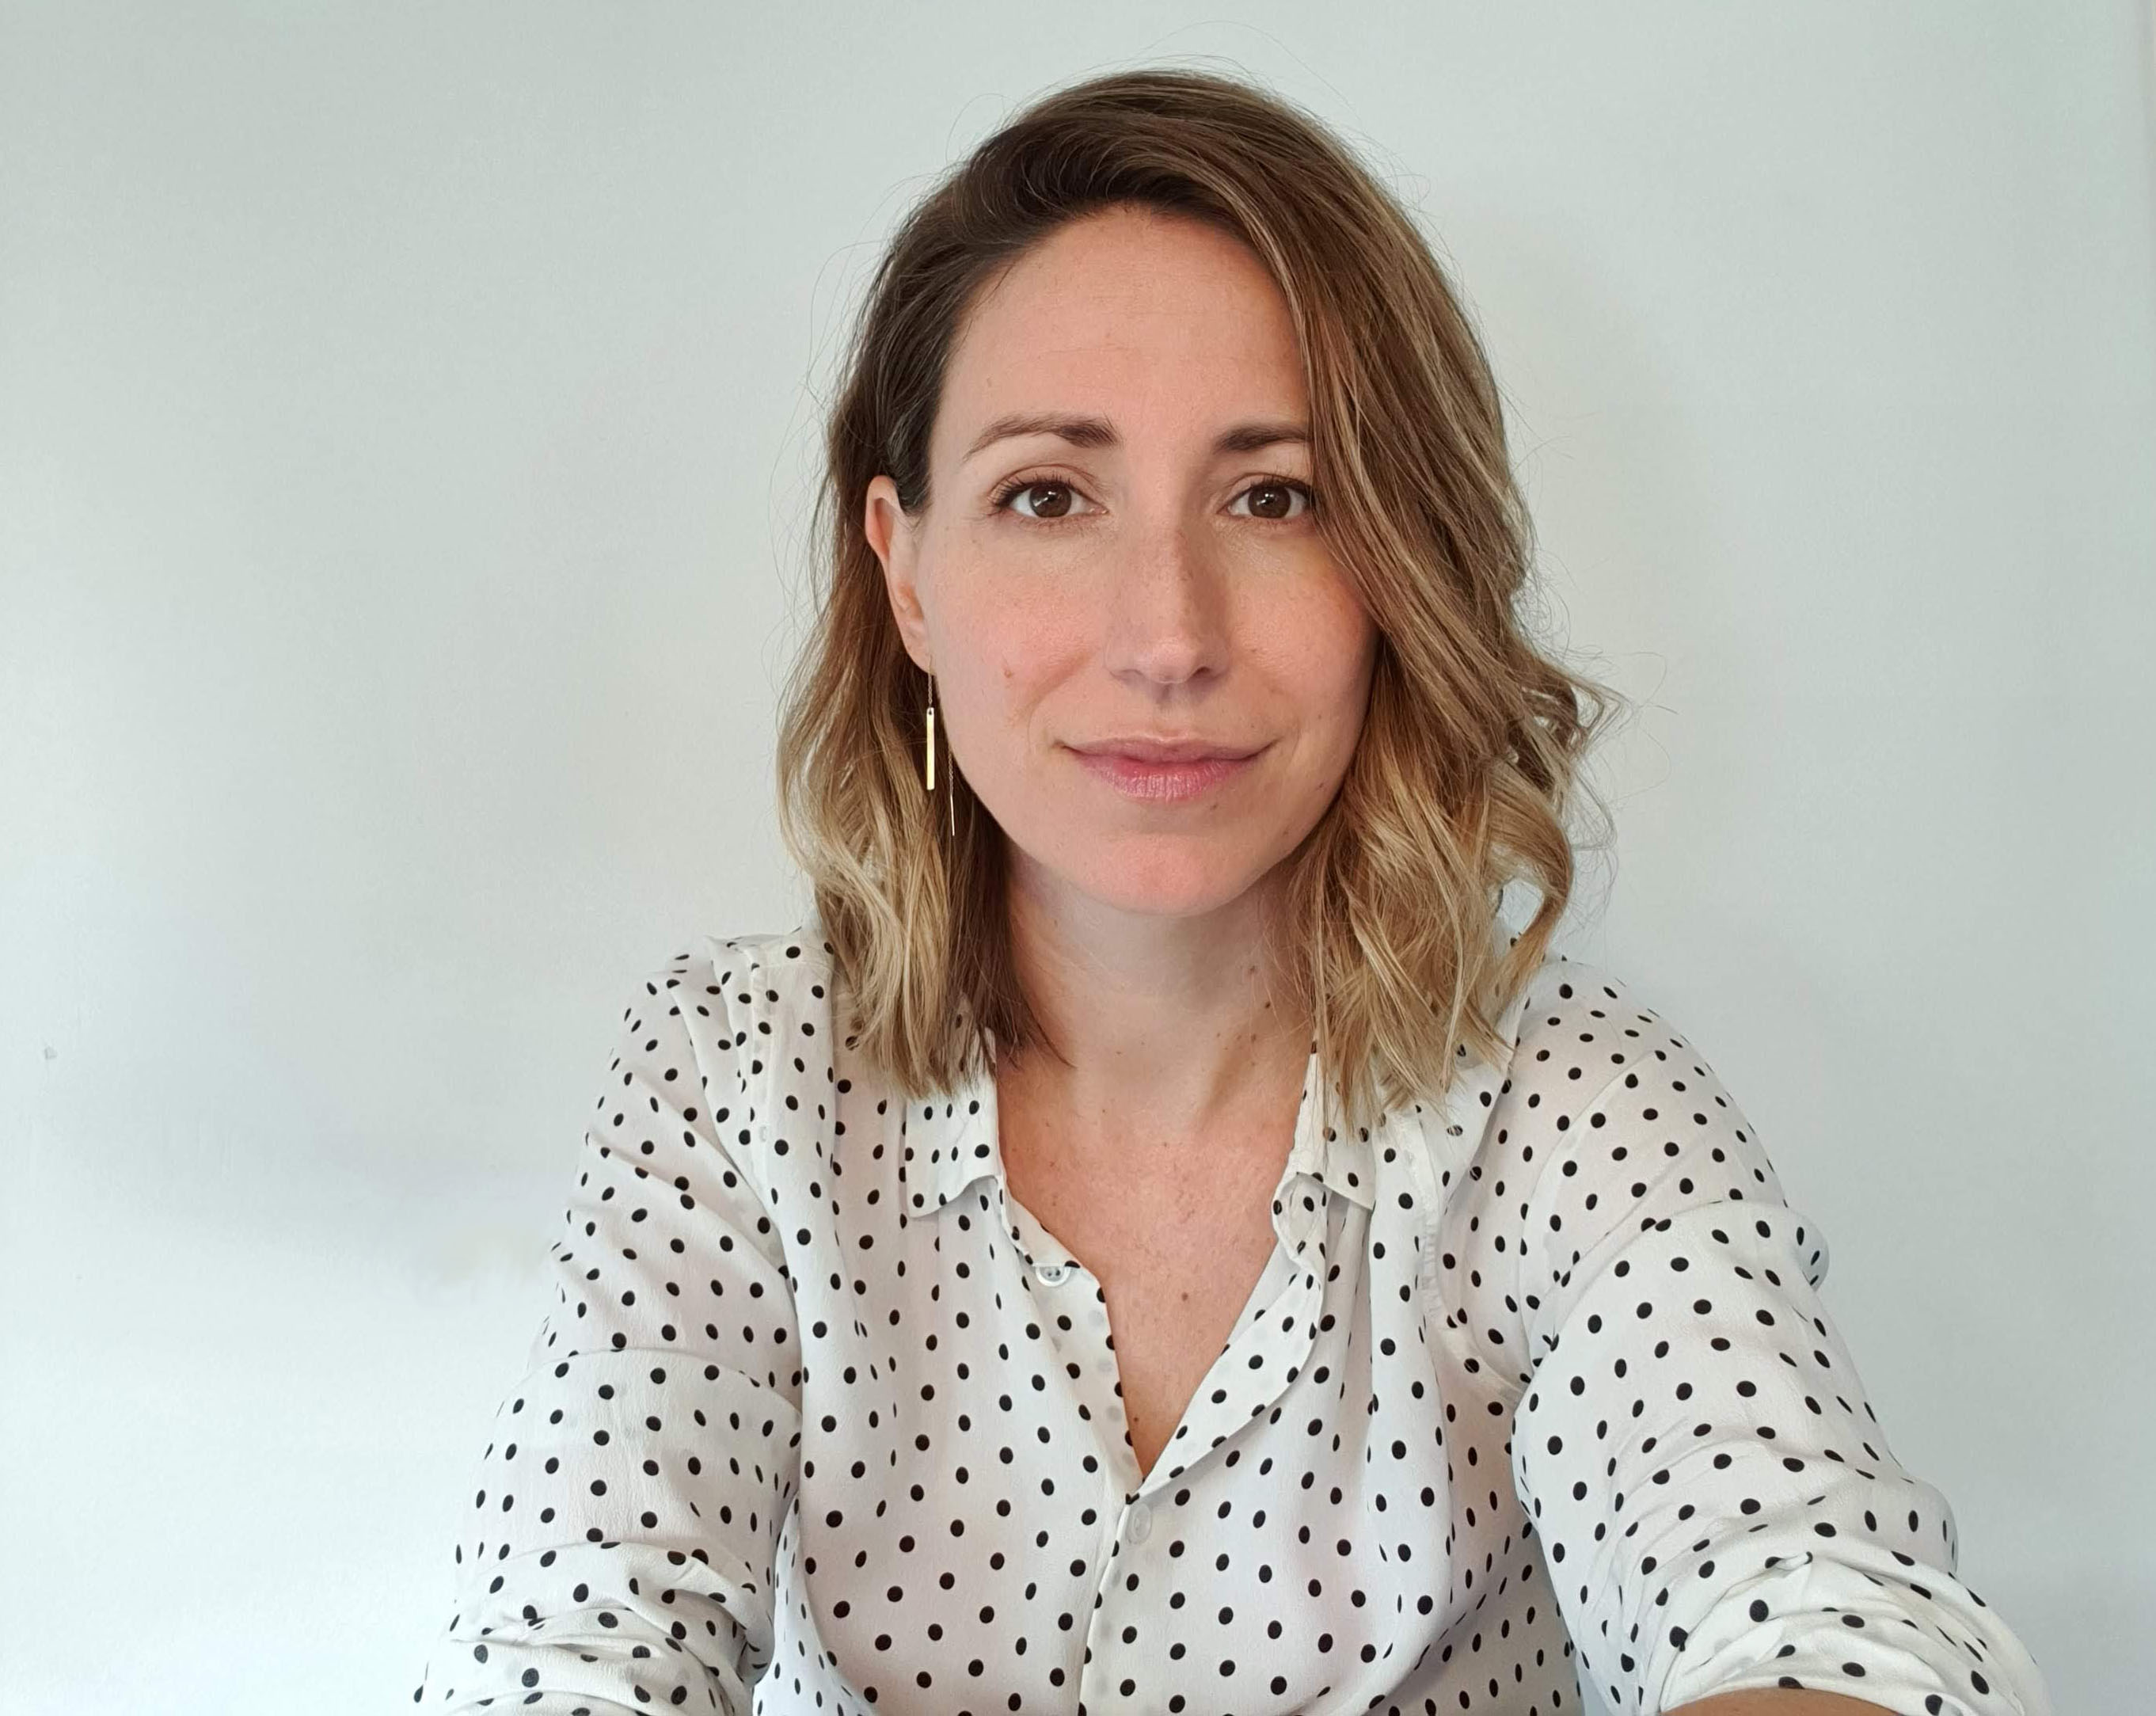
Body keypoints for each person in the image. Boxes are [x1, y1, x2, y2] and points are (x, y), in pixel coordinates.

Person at [411, 67, 2053, 1716]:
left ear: (1396, 565)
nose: (1169, 635)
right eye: (1049, 495)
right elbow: (564, 1651)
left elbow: (1835, 1615)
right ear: (905, 570)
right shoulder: (732, 1081)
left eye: (1275, 496)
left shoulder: (1571, 1112)